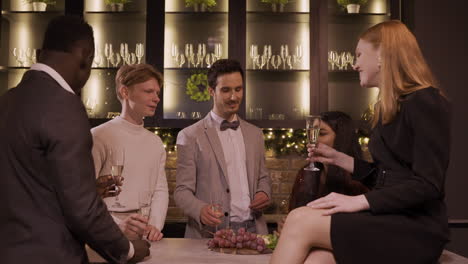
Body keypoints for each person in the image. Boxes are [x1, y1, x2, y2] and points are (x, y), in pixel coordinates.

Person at [271, 20, 450, 264]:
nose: (354, 65)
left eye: (359, 54)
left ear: (382, 56)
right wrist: (340, 159)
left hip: (416, 228)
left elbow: (428, 184)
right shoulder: (390, 106)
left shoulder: (425, 101)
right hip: (391, 217)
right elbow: (391, 177)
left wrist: (358, 201)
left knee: (299, 218)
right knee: (318, 260)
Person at [0, 16, 149, 264]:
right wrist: (129, 250)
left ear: (40, 53)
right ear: (85, 55)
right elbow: (83, 209)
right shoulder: (64, 106)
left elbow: (29, 184)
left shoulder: (7, 101)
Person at [174, 59, 272, 238]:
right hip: (210, 234)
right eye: (226, 90)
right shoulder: (190, 136)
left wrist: (263, 192)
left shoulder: (255, 134)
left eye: (238, 89)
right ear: (212, 91)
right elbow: (181, 191)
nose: (234, 97)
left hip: (254, 231)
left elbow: (263, 176)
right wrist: (200, 210)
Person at [91, 64, 168, 242]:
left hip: (145, 233)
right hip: (106, 233)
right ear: (125, 92)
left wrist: (155, 225)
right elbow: (86, 195)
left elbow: (160, 189)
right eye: (149, 91)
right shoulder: (98, 136)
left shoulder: (155, 142)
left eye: (157, 92)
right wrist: (118, 226)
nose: (156, 98)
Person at [277, 111, 369, 234]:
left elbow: (359, 227)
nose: (313, 140)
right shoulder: (305, 173)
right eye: (312, 133)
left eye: (321, 133)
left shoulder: (359, 180)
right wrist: (286, 223)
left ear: (341, 138)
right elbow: (295, 212)